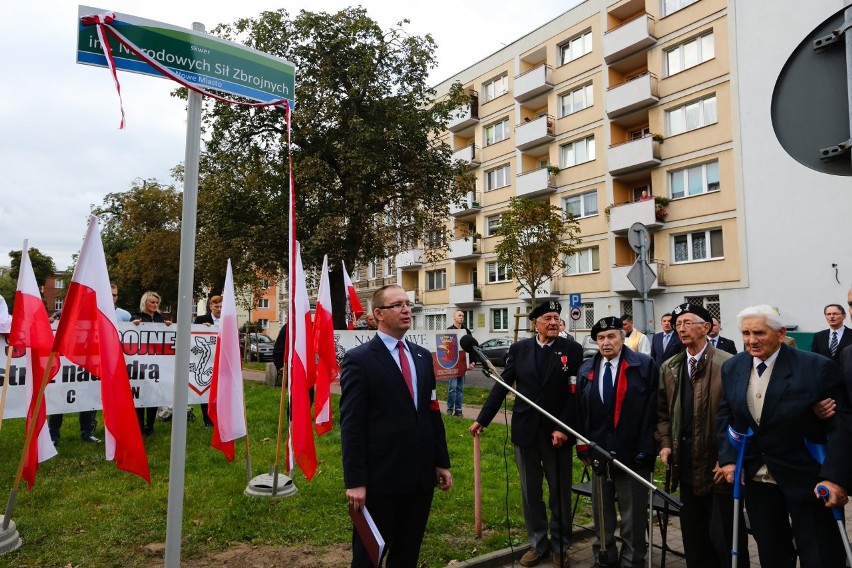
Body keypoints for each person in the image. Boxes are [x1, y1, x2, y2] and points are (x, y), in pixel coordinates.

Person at [717, 304, 852, 567]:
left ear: (780, 334)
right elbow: (725, 416)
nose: (751, 340)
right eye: (745, 333)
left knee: (820, 555)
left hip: (807, 478)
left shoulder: (815, 367)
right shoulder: (733, 366)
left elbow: (841, 426)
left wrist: (835, 478)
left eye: (759, 333)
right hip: (758, 478)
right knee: (772, 554)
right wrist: (729, 460)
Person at [340, 285, 452, 566]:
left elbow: (432, 412)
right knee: (369, 556)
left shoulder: (423, 357)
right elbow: (352, 425)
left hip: (419, 477)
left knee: (407, 553)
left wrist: (441, 461)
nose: (406, 309)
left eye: (408, 304)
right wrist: (355, 481)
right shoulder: (359, 359)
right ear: (378, 313)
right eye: (397, 305)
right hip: (380, 479)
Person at [470, 301, 582, 568]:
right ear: (536, 323)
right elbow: (502, 385)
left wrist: (564, 429)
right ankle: (538, 543)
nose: (554, 322)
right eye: (548, 318)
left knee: (559, 493)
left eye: (557, 317)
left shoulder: (572, 350)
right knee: (530, 492)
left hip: (557, 434)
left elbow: (575, 397)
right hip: (526, 432)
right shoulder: (520, 349)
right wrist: (482, 419)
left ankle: (561, 546)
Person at [656, 304, 747, 567]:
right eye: (677, 324)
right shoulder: (670, 366)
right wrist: (664, 444)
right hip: (684, 464)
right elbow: (662, 413)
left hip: (719, 467)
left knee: (726, 538)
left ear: (706, 328)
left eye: (686, 322)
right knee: (694, 538)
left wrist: (729, 458)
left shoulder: (728, 364)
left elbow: (742, 417)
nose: (680, 328)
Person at [576, 317, 657, 567]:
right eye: (601, 338)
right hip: (599, 451)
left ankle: (633, 560)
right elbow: (581, 410)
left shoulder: (643, 365)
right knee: (602, 512)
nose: (606, 342)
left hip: (632, 452)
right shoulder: (587, 369)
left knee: (632, 513)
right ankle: (604, 556)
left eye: (611, 336)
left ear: (623, 338)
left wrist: (646, 447)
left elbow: (653, 408)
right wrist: (583, 445)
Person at [47, 308, 100, 444]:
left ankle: (87, 432)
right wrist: (50, 323)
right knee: (59, 403)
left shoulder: (92, 316)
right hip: (64, 369)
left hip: (83, 368)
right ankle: (53, 435)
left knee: (86, 401)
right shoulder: (61, 315)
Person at [131, 291, 171, 436]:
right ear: (145, 303)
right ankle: (140, 426)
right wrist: (133, 325)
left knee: (154, 395)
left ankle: (150, 425)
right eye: (152, 302)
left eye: (156, 303)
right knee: (141, 395)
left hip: (157, 363)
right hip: (141, 364)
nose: (155, 305)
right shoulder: (136, 317)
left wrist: (168, 326)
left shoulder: (161, 318)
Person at [194, 295, 223, 428]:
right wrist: (203, 329)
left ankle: (220, 417)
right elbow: (193, 337)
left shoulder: (228, 320)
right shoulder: (201, 320)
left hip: (221, 359)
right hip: (205, 360)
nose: (219, 309)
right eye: (216, 306)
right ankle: (207, 419)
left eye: (221, 306)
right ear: (210, 306)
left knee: (221, 389)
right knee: (205, 389)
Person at [446, 310, 473, 416]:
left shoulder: (466, 331)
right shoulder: (448, 331)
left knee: (460, 388)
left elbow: (472, 347)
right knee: (452, 387)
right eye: (459, 315)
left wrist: (472, 362)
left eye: (463, 316)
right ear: (454, 317)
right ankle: (449, 409)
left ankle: (458, 410)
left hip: (463, 363)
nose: (462, 317)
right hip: (452, 363)